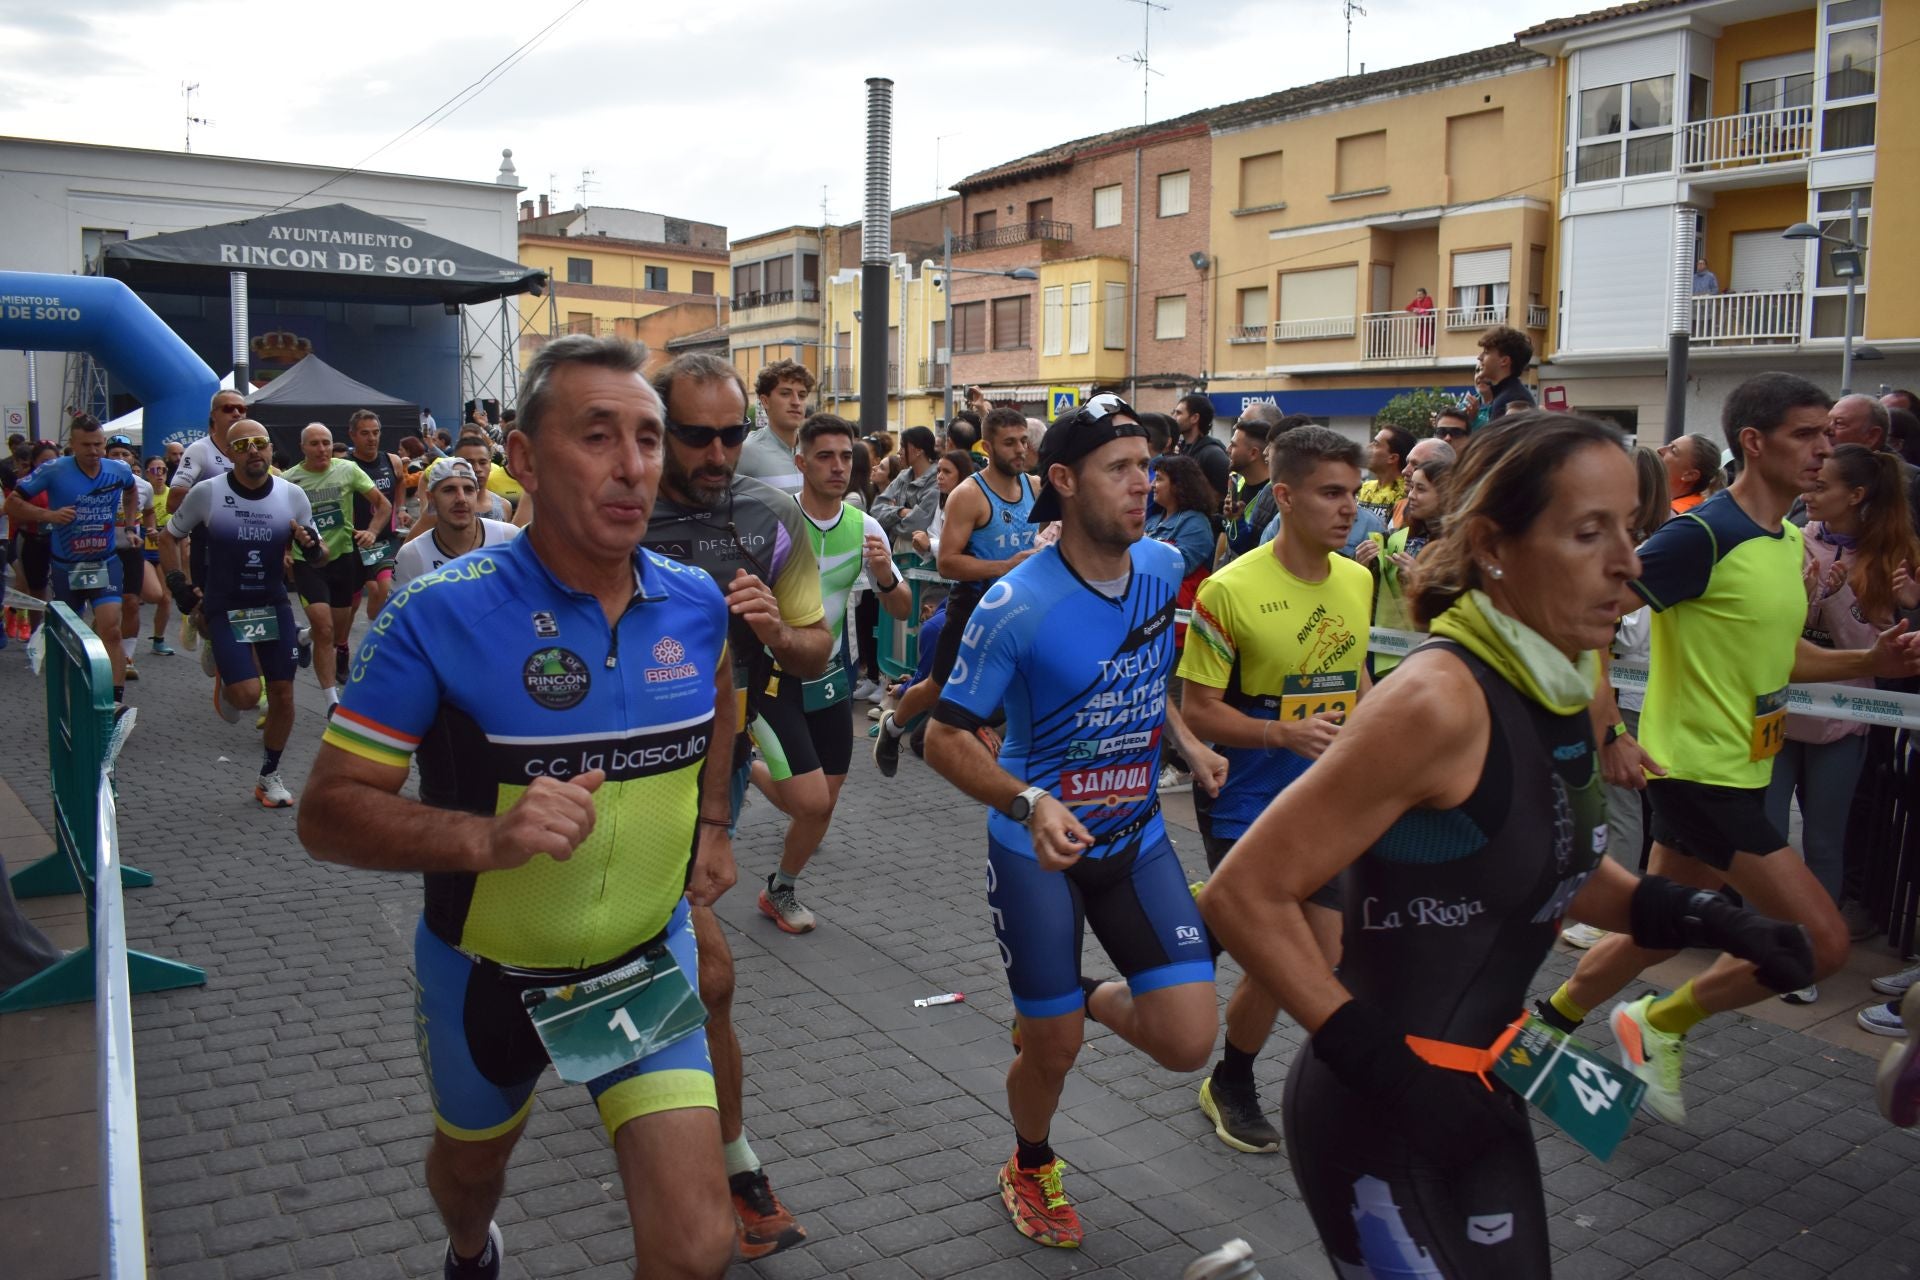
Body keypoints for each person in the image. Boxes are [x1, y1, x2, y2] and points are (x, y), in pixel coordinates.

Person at [1201, 414, 1813, 1278]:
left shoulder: (1556, 682)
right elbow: (1243, 892)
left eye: (1631, 530)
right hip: (1380, 1106)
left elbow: (1551, 862)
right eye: (1587, 532)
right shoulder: (1437, 700)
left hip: (1494, 1081)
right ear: (1493, 545)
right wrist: (1382, 1067)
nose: (1628, 563)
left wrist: (1710, 916)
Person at [297, 335, 738, 1280]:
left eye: (650, 440)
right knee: (471, 1174)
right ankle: (469, 1250)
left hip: (644, 965)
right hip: (487, 979)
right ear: (526, 462)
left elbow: (723, 691)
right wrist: (485, 837)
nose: (633, 466)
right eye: (598, 436)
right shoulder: (439, 614)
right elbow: (326, 811)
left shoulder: (696, 603)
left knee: (700, 1246)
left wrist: (712, 823)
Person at [1547, 372, 1920, 1126]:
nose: (1825, 450)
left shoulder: (1784, 542)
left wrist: (1865, 662)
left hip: (1741, 767)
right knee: (1818, 945)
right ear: (1754, 442)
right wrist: (1611, 731)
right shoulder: (1702, 534)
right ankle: (1657, 1024)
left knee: (1657, 927)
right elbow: (1580, 620)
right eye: (1807, 435)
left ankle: (1543, 1026)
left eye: (1829, 435)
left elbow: (1776, 656)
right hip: (1696, 772)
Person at [924, 393, 1226, 1250]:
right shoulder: (1016, 602)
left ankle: (1076, 999)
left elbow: (1142, 674)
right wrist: (1027, 800)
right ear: (1063, 480)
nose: (1145, 483)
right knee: (1050, 1053)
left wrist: (1188, 742)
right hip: (1037, 851)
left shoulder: (1164, 568)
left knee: (1186, 1038)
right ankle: (1029, 1162)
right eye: (1121, 470)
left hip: (1135, 842)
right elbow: (943, 740)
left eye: (1148, 467)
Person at [639, 351, 827, 1260]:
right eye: (695, 436)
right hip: (614, 780)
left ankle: (710, 1149)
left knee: (692, 968)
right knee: (708, 973)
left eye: (729, 434)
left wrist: (769, 628)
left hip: (716, 772)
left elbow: (815, 652)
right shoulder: (615, 509)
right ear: (657, 427)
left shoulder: (768, 515)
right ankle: (730, 1163)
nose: (717, 455)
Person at [1180, 425, 1373, 1154]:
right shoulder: (1232, 590)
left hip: (1325, 796)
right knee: (1281, 949)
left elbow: (1355, 680)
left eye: (1353, 493)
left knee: (1314, 951)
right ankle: (1232, 1079)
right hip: (1245, 793)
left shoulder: (1358, 578)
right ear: (1285, 497)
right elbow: (1198, 711)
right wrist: (1279, 735)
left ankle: (1193, 940)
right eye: (1331, 493)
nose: (1348, 508)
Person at [1764, 445, 1920, 1004]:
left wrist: (1836, 598)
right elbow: (1777, 630)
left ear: (1856, 495)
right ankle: (1771, 945)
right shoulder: (1792, 539)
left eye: (1822, 485)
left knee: (1825, 842)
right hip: (1781, 710)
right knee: (1768, 832)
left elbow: (1877, 651)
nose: (1808, 493)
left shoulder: (1896, 555)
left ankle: (1810, 958)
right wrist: (1805, 596)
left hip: (1843, 721)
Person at [752, 414, 911, 933]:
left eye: (846, 457)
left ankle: (781, 888)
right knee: (811, 799)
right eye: (825, 456)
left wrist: (886, 576)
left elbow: (904, 609)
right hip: (770, 678)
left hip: (831, 677)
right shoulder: (774, 520)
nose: (839, 466)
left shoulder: (864, 526)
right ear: (800, 463)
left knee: (822, 804)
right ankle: (742, 764)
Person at [159, 419, 319, 807]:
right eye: (243, 445)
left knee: (282, 693)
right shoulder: (207, 493)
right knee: (247, 697)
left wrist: (311, 547)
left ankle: (269, 775)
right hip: (225, 604)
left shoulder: (292, 495)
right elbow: (168, 537)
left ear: (269, 450)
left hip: (273, 602)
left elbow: (317, 553)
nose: (253, 451)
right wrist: (178, 584)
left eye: (260, 443)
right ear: (229, 453)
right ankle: (221, 659)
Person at [874, 408, 1037, 778]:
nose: (1020, 450)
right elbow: (947, 563)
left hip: (1022, 609)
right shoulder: (969, 494)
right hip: (973, 607)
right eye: (1009, 443)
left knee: (1029, 682)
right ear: (988, 446)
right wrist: (1006, 566)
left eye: (1023, 441)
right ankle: (894, 726)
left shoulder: (1035, 487)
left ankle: (1019, 766)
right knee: (939, 685)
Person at [1563, 446, 1670, 952]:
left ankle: (1616, 912)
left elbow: (1626, 634)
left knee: (1623, 800)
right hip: (1619, 692)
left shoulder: (1655, 550)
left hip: (1632, 694)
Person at [5, 417, 140, 704]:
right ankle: (69, 700)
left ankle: (113, 703)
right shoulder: (53, 470)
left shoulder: (118, 470)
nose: (94, 451)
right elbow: (12, 503)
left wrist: (130, 526)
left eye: (98, 444)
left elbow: (131, 492)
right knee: (67, 638)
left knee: (111, 629)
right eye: (86, 445)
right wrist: (49, 516)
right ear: (72, 446)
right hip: (67, 566)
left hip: (105, 562)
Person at [284, 423, 389, 710]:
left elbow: (383, 505)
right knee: (325, 627)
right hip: (309, 561)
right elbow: (279, 520)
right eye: (314, 443)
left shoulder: (348, 470)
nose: (321, 449)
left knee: (337, 632)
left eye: (326, 443)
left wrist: (372, 532)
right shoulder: (289, 480)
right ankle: (332, 701)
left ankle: (303, 637)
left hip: (343, 559)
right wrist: (284, 551)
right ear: (303, 447)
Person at [1361, 456, 1451, 679]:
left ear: (1447, 492)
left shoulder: (1459, 548)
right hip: (1380, 652)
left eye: (1420, 489)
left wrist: (1420, 580)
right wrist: (1362, 567)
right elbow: (1374, 600)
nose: (1411, 496)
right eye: (1411, 488)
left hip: (1430, 658)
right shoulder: (1396, 537)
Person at [392, 458, 520, 588]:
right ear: (431, 499)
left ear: (476, 495)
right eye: (449, 490)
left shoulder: (509, 537)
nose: (461, 499)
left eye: (468, 489)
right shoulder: (411, 556)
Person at [344, 409, 408, 631]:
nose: (371, 438)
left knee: (384, 588)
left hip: (384, 539)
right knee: (350, 605)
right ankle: (342, 644)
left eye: (375, 432)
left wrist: (401, 508)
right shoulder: (344, 465)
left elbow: (400, 482)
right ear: (352, 435)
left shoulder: (392, 461)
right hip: (354, 542)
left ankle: (374, 635)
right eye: (365, 433)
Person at [104, 434, 160, 681]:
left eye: (124, 454)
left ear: (132, 457)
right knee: (107, 605)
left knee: (130, 602)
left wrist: (150, 529)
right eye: (114, 454)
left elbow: (148, 513)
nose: (119, 458)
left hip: (131, 549)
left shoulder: (144, 486)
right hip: (101, 550)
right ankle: (104, 649)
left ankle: (127, 656)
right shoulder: (98, 481)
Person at [736, 359, 814, 497]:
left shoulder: (815, 450)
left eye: (802, 395)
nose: (796, 402)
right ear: (765, 401)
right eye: (785, 393)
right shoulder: (746, 450)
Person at [168, 389, 247, 509]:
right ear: (213, 415)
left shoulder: (252, 449)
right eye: (228, 408)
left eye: (241, 409)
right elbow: (173, 502)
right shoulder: (199, 449)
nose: (237, 413)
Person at [870, 425, 941, 553]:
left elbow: (918, 525)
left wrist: (890, 523)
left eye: (903, 446)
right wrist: (901, 512)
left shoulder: (936, 481)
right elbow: (875, 511)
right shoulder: (903, 476)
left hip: (922, 560)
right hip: (898, 554)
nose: (899, 452)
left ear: (918, 450)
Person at [1145, 456, 1215, 580]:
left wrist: (1144, 543)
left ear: (1178, 485)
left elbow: (1180, 567)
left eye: (1159, 479)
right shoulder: (1152, 521)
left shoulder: (1196, 524)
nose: (1152, 485)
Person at [1221, 416, 1272, 559]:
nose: (1227, 449)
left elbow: (1255, 553)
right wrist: (1231, 520)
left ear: (1253, 453)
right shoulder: (1239, 483)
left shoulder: (1274, 495)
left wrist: (1237, 521)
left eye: (1234, 445)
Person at [909, 449, 974, 561]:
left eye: (947, 472)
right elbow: (934, 534)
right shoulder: (943, 501)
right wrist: (922, 546)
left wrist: (930, 545)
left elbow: (961, 550)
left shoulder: (972, 505)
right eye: (938, 471)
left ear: (962, 474)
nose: (940, 476)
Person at [140, 456, 177, 656]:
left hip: (162, 548)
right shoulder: (143, 493)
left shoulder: (172, 495)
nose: (160, 475)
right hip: (142, 548)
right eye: (154, 470)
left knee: (165, 597)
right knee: (147, 595)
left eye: (163, 470)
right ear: (147, 473)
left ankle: (158, 640)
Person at [1463, 327, 1536, 425]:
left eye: (1486, 352)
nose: (1480, 357)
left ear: (1504, 361)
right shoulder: (1505, 394)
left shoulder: (1513, 400)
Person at [1172, 392, 1230, 509]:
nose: (1174, 417)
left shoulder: (1212, 454)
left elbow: (1225, 494)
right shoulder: (1183, 450)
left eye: (1178, 413)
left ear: (1194, 418)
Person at [1357, 425, 1413, 526]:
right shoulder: (1365, 487)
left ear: (1392, 458)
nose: (1368, 447)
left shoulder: (1408, 493)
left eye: (1375, 444)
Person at [1659, 432, 1724, 515]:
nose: (1660, 449)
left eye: (1673, 450)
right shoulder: (1701, 508)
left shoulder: (1672, 515)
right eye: (1669, 445)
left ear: (1690, 475)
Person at [1405, 287, 1436, 351]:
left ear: (1425, 294)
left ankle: (1427, 351)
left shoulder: (1428, 298)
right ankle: (1425, 351)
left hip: (1428, 321)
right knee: (1422, 337)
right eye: (1418, 294)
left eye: (1421, 294)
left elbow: (1428, 307)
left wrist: (1418, 310)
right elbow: (1407, 307)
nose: (1419, 296)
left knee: (1428, 336)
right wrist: (1415, 309)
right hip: (1421, 321)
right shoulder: (1416, 301)